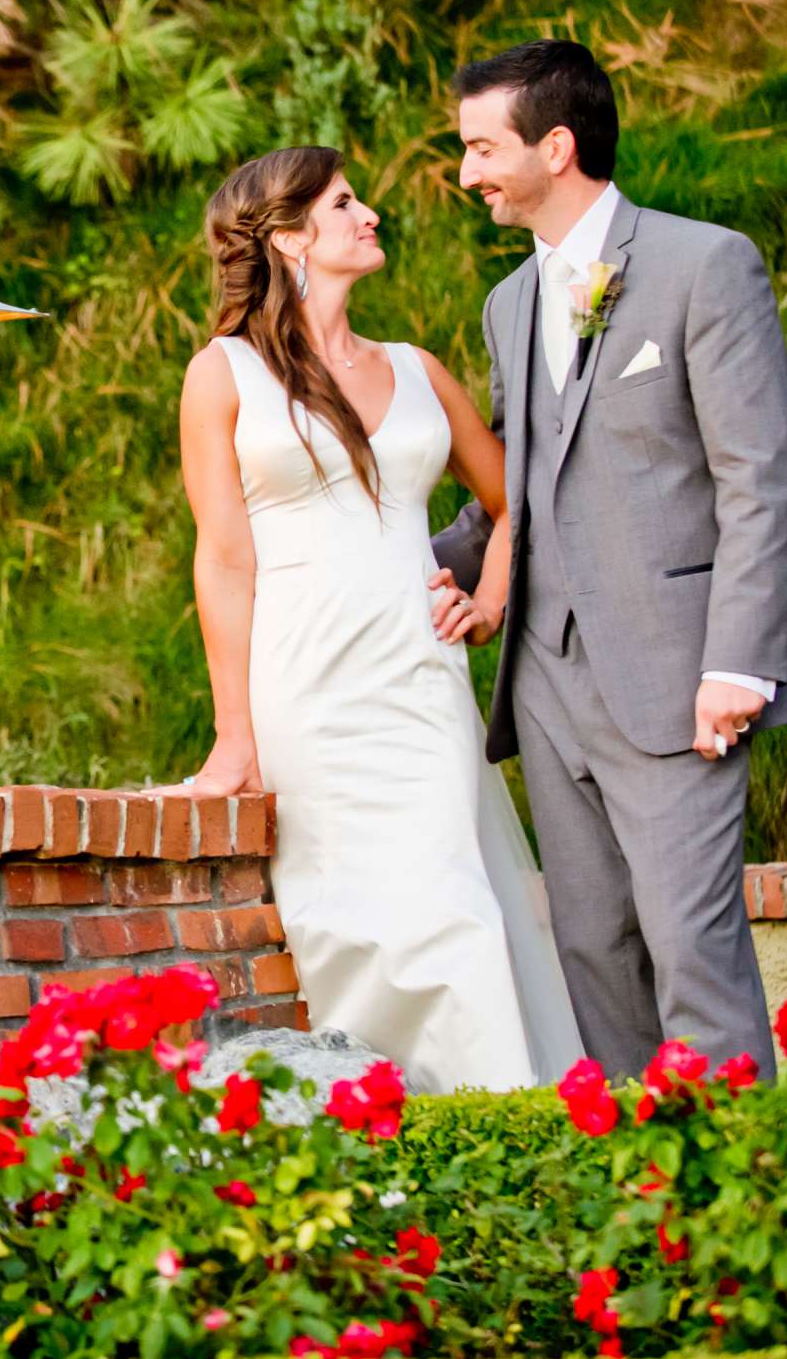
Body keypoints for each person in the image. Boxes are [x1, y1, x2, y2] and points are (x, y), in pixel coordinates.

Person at [431, 38, 787, 1079]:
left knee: (693, 949)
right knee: (591, 949)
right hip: (547, 683)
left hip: (677, 671)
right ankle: (646, 1207)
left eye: (478, 148)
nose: (466, 174)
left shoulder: (705, 264)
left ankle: (743, 1197)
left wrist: (739, 661)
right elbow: (523, 481)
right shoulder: (510, 304)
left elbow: (760, 477)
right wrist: (391, 562)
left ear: (555, 147)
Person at [178, 145, 583, 1094]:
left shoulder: (418, 369)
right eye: (345, 204)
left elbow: (510, 498)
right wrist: (234, 736)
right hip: (304, 685)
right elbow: (226, 559)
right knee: (349, 918)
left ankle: (501, 1118)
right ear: (287, 239)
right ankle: (373, 1129)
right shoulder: (222, 374)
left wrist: (487, 604)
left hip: (417, 673)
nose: (371, 216)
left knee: (452, 903)